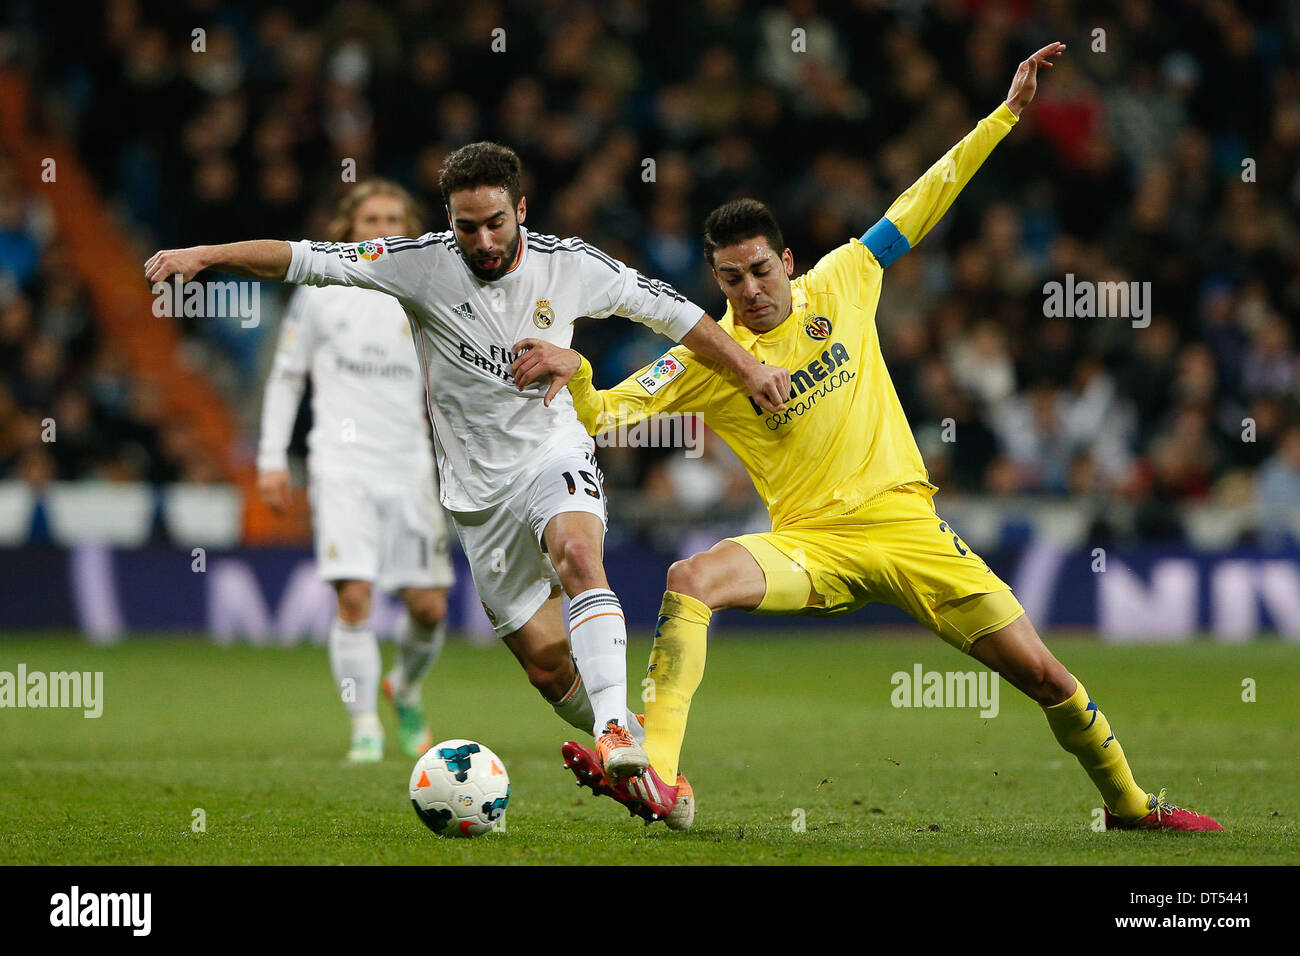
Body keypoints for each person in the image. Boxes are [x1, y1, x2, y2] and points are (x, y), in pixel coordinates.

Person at [523, 43, 1222, 832]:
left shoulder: (847, 278)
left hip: (909, 527)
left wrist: (1005, 115)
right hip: (812, 546)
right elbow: (605, 415)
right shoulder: (705, 358)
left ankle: (1130, 805)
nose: (749, 291)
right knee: (690, 578)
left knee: (1045, 676)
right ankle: (658, 776)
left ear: (786, 261)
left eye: (759, 270)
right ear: (714, 281)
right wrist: (577, 369)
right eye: (729, 279)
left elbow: (927, 198)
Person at [145, 143, 791, 779]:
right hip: (476, 498)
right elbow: (300, 259)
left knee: (577, 555)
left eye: (495, 223)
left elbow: (674, 314)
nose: (482, 241)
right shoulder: (419, 264)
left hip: (551, 452)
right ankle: (639, 754)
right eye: (467, 226)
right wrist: (207, 255)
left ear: (521, 210)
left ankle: (615, 727)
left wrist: (750, 368)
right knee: (546, 664)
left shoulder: (568, 264)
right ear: (448, 220)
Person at [257, 180, 453, 762]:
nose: (383, 227)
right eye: (370, 218)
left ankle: (406, 687)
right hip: (340, 464)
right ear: (348, 228)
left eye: (395, 217)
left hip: (409, 464)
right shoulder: (319, 292)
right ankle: (364, 723)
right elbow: (288, 375)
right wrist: (271, 458)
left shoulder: (426, 294)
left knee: (428, 608)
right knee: (354, 594)